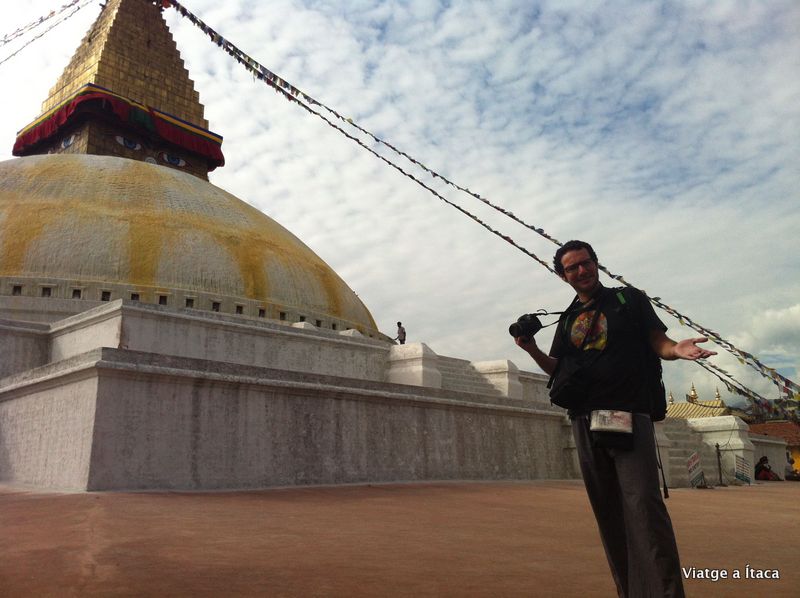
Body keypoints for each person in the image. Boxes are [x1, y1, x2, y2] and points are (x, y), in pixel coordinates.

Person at [514, 240, 716, 598]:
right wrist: (531, 349)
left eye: (585, 263)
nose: (581, 271)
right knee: (608, 513)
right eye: (572, 268)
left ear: (596, 263)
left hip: (626, 413)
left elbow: (659, 341)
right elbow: (557, 370)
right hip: (584, 420)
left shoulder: (628, 300)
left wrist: (676, 350)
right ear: (563, 276)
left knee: (644, 508)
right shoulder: (567, 319)